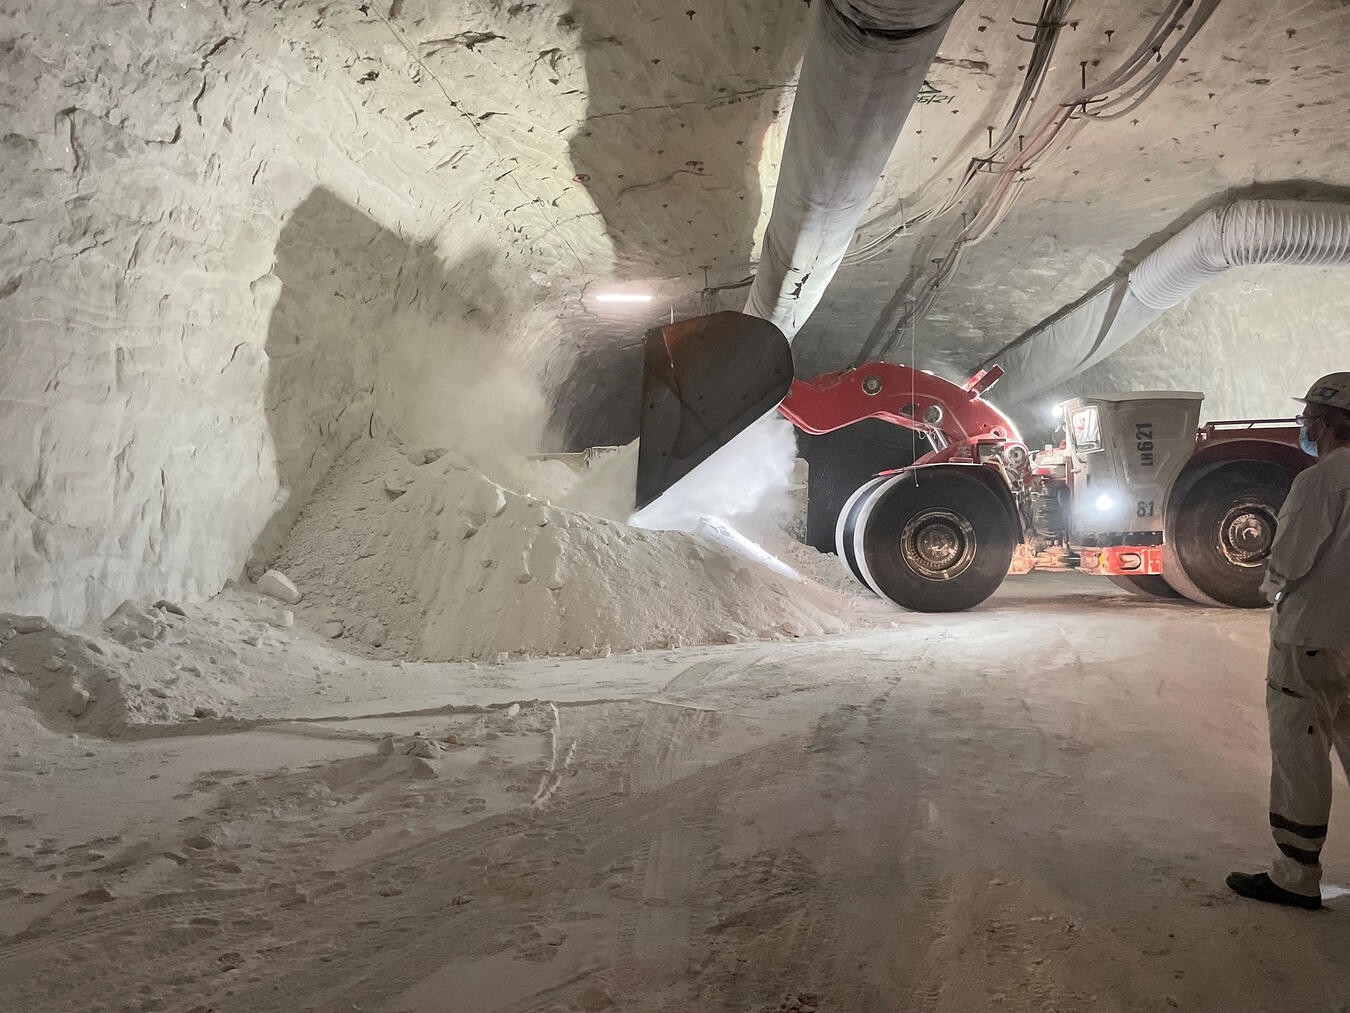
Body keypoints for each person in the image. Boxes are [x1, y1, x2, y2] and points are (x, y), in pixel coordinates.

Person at [1227, 372, 1350, 911]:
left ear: (1325, 423)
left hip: (1312, 640)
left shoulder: (1320, 481)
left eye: (1307, 418)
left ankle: (1296, 874)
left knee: (1301, 752)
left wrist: (1271, 590)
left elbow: (1292, 559)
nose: (1303, 426)